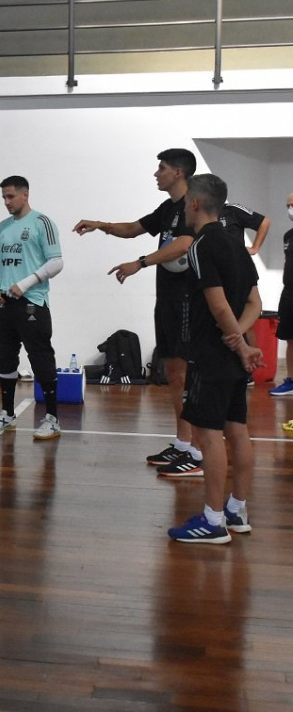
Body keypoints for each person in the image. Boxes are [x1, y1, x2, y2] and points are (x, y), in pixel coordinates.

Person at [73, 148, 204, 477]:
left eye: (161, 168)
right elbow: (134, 227)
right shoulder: (168, 207)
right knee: (174, 374)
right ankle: (183, 443)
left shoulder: (193, 204)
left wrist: (140, 263)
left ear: (178, 172)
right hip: (167, 298)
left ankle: (199, 452)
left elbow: (185, 243)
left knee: (186, 376)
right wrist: (100, 225)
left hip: (187, 300)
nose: (156, 174)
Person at [166, 174, 262, 543]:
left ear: (194, 203)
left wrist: (239, 345)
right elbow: (254, 303)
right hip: (234, 358)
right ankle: (237, 510)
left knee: (208, 437)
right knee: (237, 431)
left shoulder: (201, 245)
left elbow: (219, 306)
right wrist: (242, 341)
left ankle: (213, 521)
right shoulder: (237, 244)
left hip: (210, 356)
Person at [0, 176, 64, 440]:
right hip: (5, 303)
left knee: (40, 357)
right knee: (5, 357)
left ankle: (52, 418)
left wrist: (25, 284)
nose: (6, 202)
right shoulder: (3, 226)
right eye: (3, 198)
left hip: (32, 302)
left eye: (10, 196)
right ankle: (7, 414)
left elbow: (56, 262)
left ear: (25, 194)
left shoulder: (42, 223)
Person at [269, 192, 293, 397]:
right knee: (289, 338)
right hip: (289, 293)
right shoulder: (288, 236)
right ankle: (291, 381)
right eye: (288, 206)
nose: (290, 210)